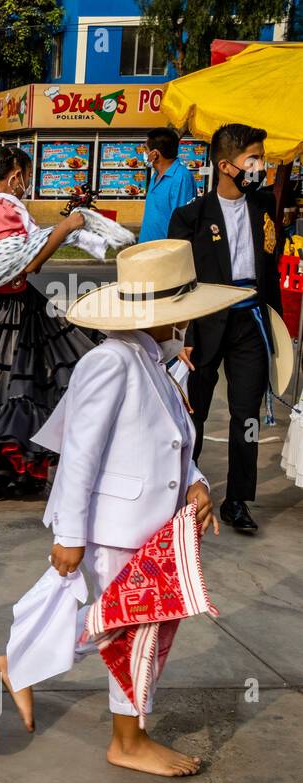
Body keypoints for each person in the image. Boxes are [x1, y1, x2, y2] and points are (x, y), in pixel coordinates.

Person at [0, 239, 241, 776]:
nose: (186, 326)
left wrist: (197, 484)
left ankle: (22, 662)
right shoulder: (111, 361)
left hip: (153, 523)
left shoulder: (155, 358)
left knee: (122, 623)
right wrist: (70, 533)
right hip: (116, 526)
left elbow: (175, 439)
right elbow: (80, 454)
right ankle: (127, 740)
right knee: (135, 629)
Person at [0, 146, 101, 498]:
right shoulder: (1, 208)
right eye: (26, 175)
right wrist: (66, 226)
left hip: (3, 304)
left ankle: (4, 468)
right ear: (15, 174)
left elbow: (28, 260)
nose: (26, 183)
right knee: (10, 389)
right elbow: (28, 265)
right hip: (6, 309)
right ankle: (0, 470)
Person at [169, 123, 284, 533]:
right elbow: (176, 283)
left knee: (246, 415)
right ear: (225, 165)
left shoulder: (264, 206)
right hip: (204, 325)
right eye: (253, 159)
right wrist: (181, 335)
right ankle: (185, 491)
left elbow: (270, 268)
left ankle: (238, 499)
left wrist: (277, 329)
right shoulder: (191, 217)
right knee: (192, 414)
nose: (260, 167)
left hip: (251, 322)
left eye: (261, 159)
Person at [137, 127, 197, 244]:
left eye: (145, 149)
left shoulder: (181, 178)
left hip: (165, 254)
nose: (143, 153)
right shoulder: (156, 175)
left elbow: (182, 225)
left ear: (154, 154)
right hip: (147, 250)